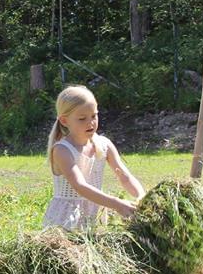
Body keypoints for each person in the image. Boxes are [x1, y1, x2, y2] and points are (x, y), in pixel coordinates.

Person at [42, 85, 145, 230]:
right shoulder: (62, 150)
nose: (90, 122)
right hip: (66, 221)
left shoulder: (104, 145)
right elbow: (80, 186)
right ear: (64, 121)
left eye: (94, 115)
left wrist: (142, 198)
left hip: (94, 217)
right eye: (82, 118)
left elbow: (124, 176)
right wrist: (116, 204)